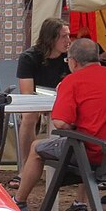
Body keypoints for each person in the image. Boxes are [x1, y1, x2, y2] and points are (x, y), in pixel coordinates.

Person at [12, 37, 106, 211]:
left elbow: (60, 123)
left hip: (93, 155)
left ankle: (19, 202)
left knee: (37, 147)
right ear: (97, 58)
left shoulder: (72, 81)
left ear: (73, 61)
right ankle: (79, 205)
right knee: (87, 138)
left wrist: (75, 123)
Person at [12, 17, 73, 185]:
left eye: (69, 36)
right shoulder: (30, 57)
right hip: (37, 99)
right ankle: (26, 167)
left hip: (64, 100)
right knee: (29, 114)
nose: (68, 41)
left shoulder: (72, 57)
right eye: (63, 36)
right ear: (50, 38)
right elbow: (27, 93)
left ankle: (72, 167)